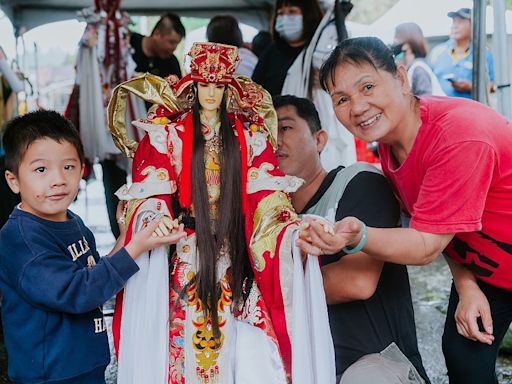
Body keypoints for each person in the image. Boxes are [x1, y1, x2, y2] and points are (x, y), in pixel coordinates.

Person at [108, 42, 334, 384]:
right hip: (186, 253)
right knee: (180, 342)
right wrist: (155, 218)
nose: (211, 93)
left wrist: (291, 231)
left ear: (229, 88)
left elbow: (268, 202)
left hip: (236, 257)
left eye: (218, 86)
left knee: (254, 352)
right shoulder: (169, 134)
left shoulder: (249, 135)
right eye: (204, 85)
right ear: (193, 85)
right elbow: (150, 191)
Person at [298, 36, 512, 384]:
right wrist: (468, 285)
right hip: (488, 275)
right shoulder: (391, 145)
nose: (357, 107)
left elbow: (426, 243)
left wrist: (358, 235)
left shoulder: (457, 136)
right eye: (342, 99)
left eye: (367, 86)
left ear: (400, 77)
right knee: (464, 361)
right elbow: (444, 228)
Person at [0, 110, 185, 383]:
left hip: (85, 364)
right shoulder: (21, 239)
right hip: (49, 374)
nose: (58, 179)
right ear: (13, 180)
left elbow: (96, 274)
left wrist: (125, 238)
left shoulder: (72, 222)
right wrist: (134, 248)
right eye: (41, 169)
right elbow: (79, 292)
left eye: (68, 166)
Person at [274, 94, 429, 383]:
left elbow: (356, 282)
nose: (274, 139)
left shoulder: (359, 181)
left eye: (284, 127)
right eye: (264, 131)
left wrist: (265, 290)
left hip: (377, 365)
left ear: (320, 140)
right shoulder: (267, 221)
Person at [281, 0, 357, 171]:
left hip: (326, 111)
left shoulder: (331, 29)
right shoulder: (321, 32)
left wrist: (324, 78)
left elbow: (325, 62)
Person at [252, 0, 323, 95]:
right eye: (280, 13)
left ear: (309, 15)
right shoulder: (271, 52)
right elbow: (254, 88)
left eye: (292, 11)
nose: (285, 18)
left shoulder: (321, 52)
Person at [428, 7, 495, 98]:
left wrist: (471, 87)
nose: (455, 26)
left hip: (470, 110)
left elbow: (494, 86)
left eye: (460, 22)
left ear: (473, 26)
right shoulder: (437, 52)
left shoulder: (483, 54)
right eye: (454, 22)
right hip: (441, 110)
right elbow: (426, 81)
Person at [392, 22, 445, 96]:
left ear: (406, 44)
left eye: (397, 38)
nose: (394, 42)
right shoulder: (411, 67)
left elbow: (426, 100)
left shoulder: (418, 68)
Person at [130, 12, 186, 79]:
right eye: (171, 42)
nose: (174, 48)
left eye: (177, 44)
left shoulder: (171, 63)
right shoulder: (128, 44)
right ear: (157, 34)